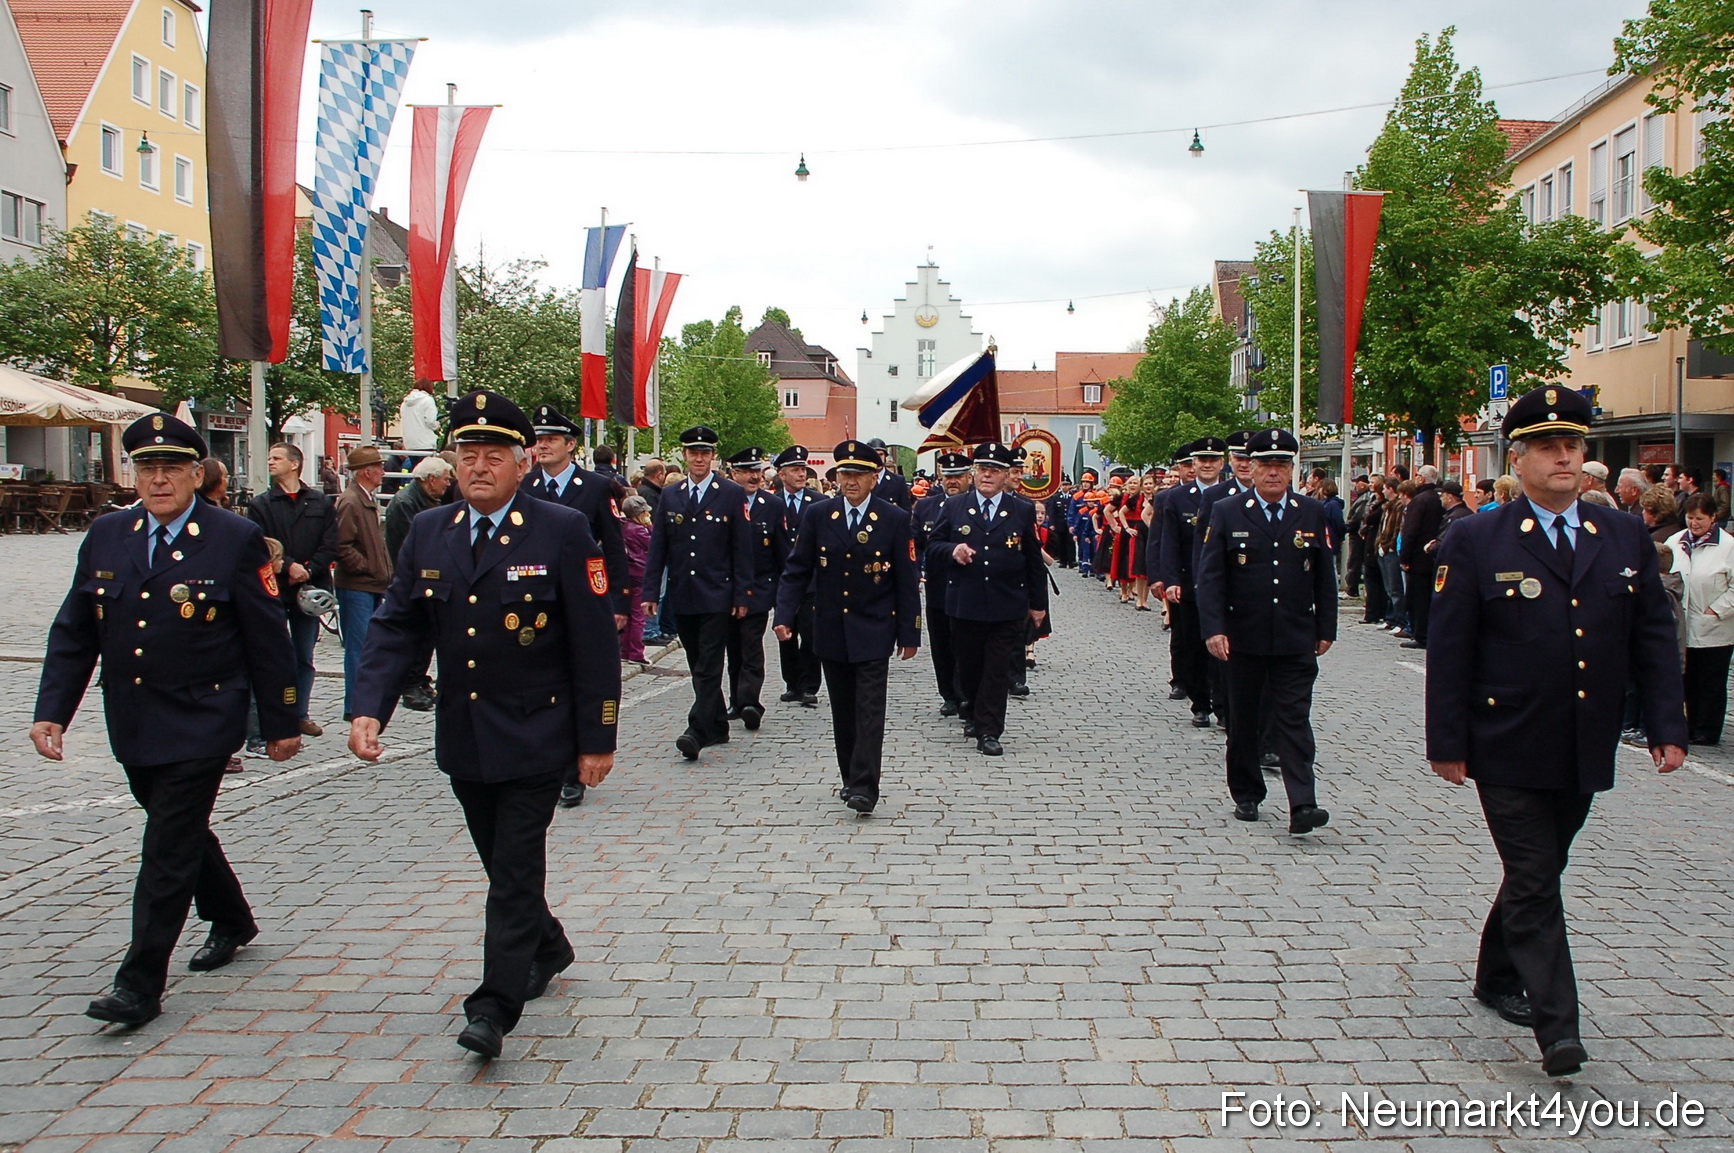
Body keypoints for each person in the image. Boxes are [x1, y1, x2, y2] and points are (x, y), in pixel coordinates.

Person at [348, 390, 619, 1060]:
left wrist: (597, 738)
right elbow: (397, 627)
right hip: (465, 734)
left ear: (523, 462)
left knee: (514, 870)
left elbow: (593, 644)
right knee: (499, 860)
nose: (478, 465)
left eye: (493, 454)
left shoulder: (559, 530)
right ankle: (548, 944)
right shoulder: (430, 531)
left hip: (536, 735)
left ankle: (493, 1006)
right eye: (467, 453)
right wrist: (368, 705)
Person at [1427, 385, 1685, 1079]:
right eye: (1548, 446)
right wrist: (1446, 742)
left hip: (1583, 736)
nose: (1564, 456)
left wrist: (1668, 723)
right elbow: (1450, 647)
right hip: (1505, 738)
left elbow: (1653, 638)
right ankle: (1558, 1026)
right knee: (1538, 876)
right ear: (1519, 458)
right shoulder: (1479, 537)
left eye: (1573, 445)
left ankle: (1493, 969)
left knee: (1542, 866)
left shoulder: (1623, 532)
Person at [32, 413, 302, 1027]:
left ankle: (139, 982)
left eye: (172, 469)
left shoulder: (232, 537)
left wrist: (283, 718)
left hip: (204, 714)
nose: (158, 480)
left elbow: (267, 637)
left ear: (196, 473)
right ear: (133, 473)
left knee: (166, 845)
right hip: (134, 715)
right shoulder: (107, 534)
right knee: (175, 827)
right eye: (147, 468)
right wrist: (54, 710)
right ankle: (231, 916)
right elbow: (76, 631)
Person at [1195, 428, 1338, 835]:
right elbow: (1212, 577)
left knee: (1294, 720)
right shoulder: (1228, 511)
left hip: (1295, 636)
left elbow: (1323, 575)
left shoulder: (1309, 511)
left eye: (1282, 465)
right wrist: (1214, 629)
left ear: (1293, 470)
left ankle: (1303, 802)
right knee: (1244, 719)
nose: (1273, 473)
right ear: (1251, 470)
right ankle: (1246, 791)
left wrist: (1326, 625)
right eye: (1266, 466)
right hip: (1243, 636)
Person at [774, 440, 921, 813]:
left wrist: (910, 633)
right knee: (843, 709)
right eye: (844, 474)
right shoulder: (819, 515)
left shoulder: (893, 518)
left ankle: (865, 786)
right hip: (830, 625)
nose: (850, 481)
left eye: (858, 475)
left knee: (870, 708)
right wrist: (784, 615)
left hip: (874, 626)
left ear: (874, 478)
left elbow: (906, 579)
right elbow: (797, 569)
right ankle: (849, 777)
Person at [924, 442, 1049, 756]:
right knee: (970, 666)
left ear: (1006, 475)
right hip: (965, 602)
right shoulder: (954, 507)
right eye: (982, 469)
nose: (987, 475)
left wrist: (1038, 604)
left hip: (1007, 602)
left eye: (994, 470)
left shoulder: (1020, 509)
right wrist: (953, 550)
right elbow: (933, 545)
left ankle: (990, 729)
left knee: (996, 669)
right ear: (974, 473)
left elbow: (1033, 559)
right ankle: (970, 709)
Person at [642, 426, 754, 761]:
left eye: (705, 453)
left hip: (717, 592)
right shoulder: (672, 494)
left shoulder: (731, 493)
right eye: (693, 453)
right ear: (685, 456)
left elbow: (741, 548)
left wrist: (742, 594)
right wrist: (650, 591)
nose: (700, 458)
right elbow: (658, 546)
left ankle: (697, 729)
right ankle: (718, 722)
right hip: (683, 592)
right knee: (696, 663)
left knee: (708, 663)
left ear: (713, 456)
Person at [249, 442, 341, 732]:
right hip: (274, 589)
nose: (271, 462)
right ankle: (274, 714)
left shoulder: (320, 503)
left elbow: (331, 544)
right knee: (272, 656)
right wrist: (288, 565)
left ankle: (300, 713)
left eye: (277, 458)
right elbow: (259, 544)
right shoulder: (261, 505)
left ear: (295, 464)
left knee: (304, 655)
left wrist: (310, 569)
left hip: (309, 591)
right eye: (269, 457)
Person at [1158, 438, 1224, 727]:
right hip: (1188, 582)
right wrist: (1170, 579)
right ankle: (1200, 702)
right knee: (1193, 645)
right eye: (1201, 460)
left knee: (1223, 646)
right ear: (1193, 465)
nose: (1207, 465)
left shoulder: (1231, 494)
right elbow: (1169, 542)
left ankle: (1223, 702)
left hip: (1223, 583)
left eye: (1213, 460)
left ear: (1222, 463)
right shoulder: (1177, 497)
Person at [725, 447, 786, 730]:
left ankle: (751, 701)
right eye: (747, 472)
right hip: (726, 589)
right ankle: (736, 700)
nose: (754, 477)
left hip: (759, 588)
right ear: (734, 473)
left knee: (751, 645)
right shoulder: (723, 501)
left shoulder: (772, 505)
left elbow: (781, 551)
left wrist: (785, 593)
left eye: (757, 472)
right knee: (732, 648)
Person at [1667, 492, 1734, 745]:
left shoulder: (1727, 546)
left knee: (1711, 681)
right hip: (1684, 624)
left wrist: (1717, 610)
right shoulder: (1677, 541)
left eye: (1700, 519)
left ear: (1713, 518)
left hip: (1715, 627)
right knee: (1688, 678)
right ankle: (1689, 723)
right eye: (1690, 518)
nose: (1694, 523)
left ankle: (1707, 729)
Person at [334, 445, 391, 721]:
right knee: (358, 648)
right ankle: (355, 705)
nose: (383, 471)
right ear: (367, 471)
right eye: (379, 467)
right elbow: (342, 546)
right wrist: (367, 568)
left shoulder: (365, 498)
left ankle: (361, 703)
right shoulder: (351, 501)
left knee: (367, 646)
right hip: (357, 586)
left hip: (370, 585)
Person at [915, 451, 973, 715]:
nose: (953, 481)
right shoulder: (926, 507)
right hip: (937, 585)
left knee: (964, 643)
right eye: (948, 476)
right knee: (940, 643)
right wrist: (915, 572)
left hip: (966, 585)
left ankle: (965, 694)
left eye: (958, 476)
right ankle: (948, 694)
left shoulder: (975, 505)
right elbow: (913, 544)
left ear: (968, 477)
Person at [771, 446, 822, 707]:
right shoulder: (773, 503)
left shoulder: (819, 502)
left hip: (813, 580)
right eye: (795, 470)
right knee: (785, 633)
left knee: (812, 635)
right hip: (784, 580)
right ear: (782, 474)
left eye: (803, 469)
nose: (801, 474)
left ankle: (810, 685)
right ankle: (792, 682)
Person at [1399, 465, 1445, 650]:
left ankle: (1420, 634)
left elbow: (1411, 531)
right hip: (1432, 555)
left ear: (1422, 479)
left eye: (1417, 475)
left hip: (1418, 557)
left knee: (1418, 599)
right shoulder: (1438, 499)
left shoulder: (1419, 501)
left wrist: (1405, 556)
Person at [618, 495, 653, 664]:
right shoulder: (639, 529)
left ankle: (625, 650)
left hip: (626, 573)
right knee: (638, 615)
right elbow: (653, 545)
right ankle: (636, 652)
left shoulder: (623, 526)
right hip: (639, 573)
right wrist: (650, 526)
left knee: (628, 614)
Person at [1344, 475, 1372, 597]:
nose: (1355, 486)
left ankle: (1352, 588)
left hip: (1357, 534)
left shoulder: (1364, 499)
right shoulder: (1362, 497)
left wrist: (1347, 527)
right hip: (1357, 532)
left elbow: (1357, 517)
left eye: (1357, 483)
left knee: (1354, 561)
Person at [397, 380, 442, 457]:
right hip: (425, 443)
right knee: (427, 467)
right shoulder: (428, 400)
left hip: (410, 443)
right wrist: (437, 426)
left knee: (415, 467)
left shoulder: (405, 403)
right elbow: (430, 421)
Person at [867, 439, 913, 511]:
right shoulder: (862, 479)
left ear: (885, 456)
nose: (878, 458)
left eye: (881, 454)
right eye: (875, 454)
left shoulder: (898, 481)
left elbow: (906, 511)